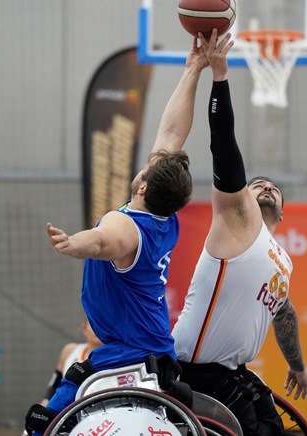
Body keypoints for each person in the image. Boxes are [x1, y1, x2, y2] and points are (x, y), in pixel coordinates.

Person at [24, 37, 209, 436]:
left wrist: (72, 243)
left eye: (147, 168)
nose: (147, 163)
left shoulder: (127, 227)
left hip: (130, 351)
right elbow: (172, 131)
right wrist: (193, 70)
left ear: (143, 186)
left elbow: (103, 241)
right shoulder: (164, 214)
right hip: (149, 343)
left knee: (44, 421)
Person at [172, 29, 307, 436]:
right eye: (256, 184)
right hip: (195, 372)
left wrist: (297, 365)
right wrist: (219, 78)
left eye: (274, 187)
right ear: (241, 199)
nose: (266, 186)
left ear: (282, 211)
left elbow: (284, 314)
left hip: (232, 372)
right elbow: (223, 145)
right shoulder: (239, 220)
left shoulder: (281, 260)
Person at [21, 319, 102, 436]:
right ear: (84, 329)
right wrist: (46, 402)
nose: (97, 327)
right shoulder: (70, 350)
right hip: (64, 409)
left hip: (94, 413)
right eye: (93, 323)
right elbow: (55, 382)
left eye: (101, 323)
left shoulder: (112, 357)